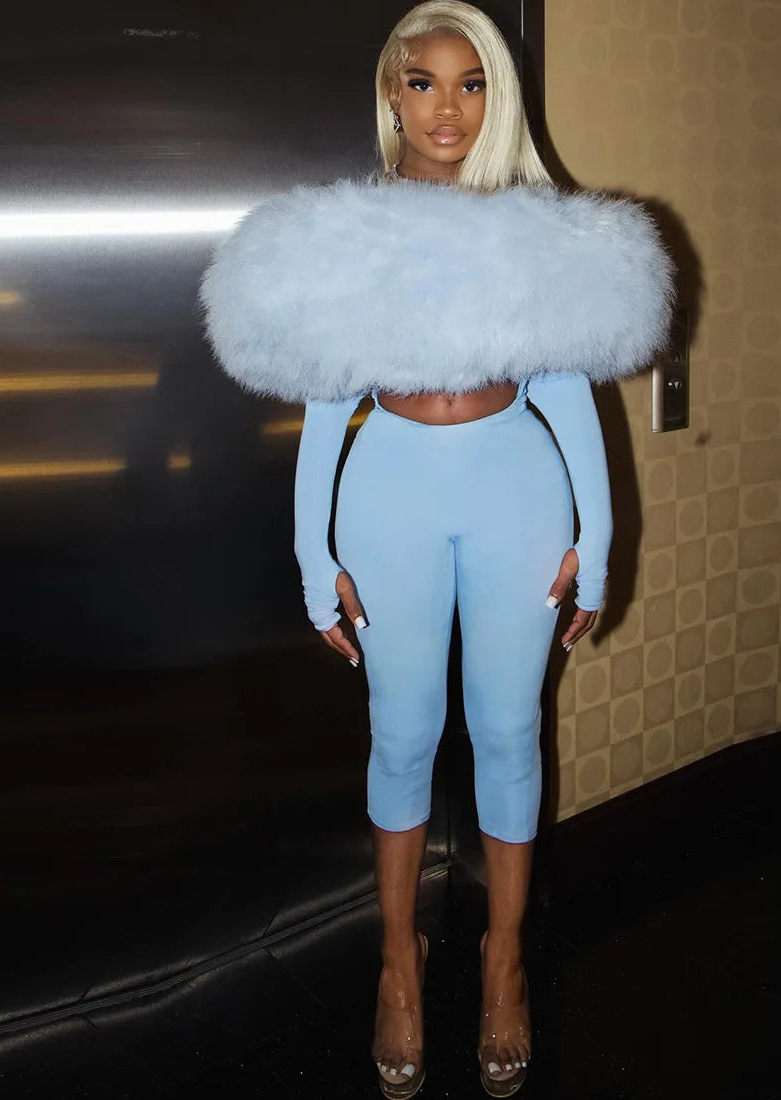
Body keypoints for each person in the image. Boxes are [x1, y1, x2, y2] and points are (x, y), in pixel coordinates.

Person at [200, 4, 672, 1095]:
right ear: (391, 93)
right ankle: (398, 967)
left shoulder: (532, 228)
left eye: (471, 83)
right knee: (403, 729)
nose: (446, 108)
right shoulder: (349, 234)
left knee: (508, 729)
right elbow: (328, 404)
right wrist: (312, 559)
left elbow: (565, 386)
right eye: (423, 82)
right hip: (389, 493)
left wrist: (597, 537)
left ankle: (503, 961)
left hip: (517, 488)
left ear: (495, 97)